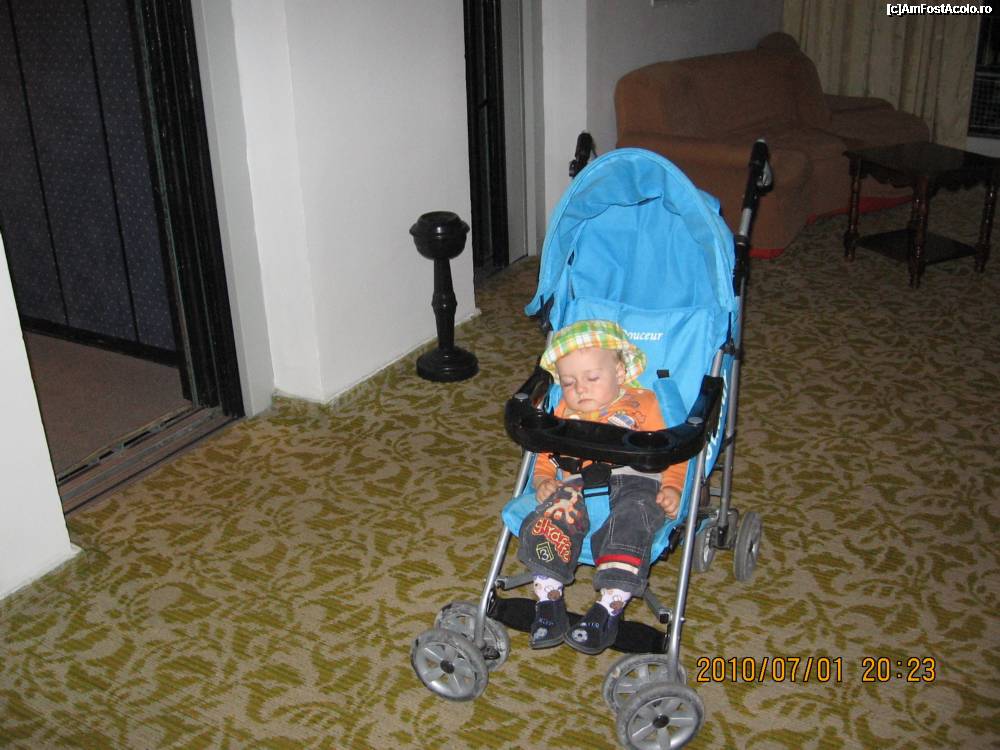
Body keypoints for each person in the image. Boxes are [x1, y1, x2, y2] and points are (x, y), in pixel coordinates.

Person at [517, 319, 686, 655]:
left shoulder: (646, 404)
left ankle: (609, 606)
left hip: (636, 483)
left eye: (592, 378)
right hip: (577, 483)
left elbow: (672, 451)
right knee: (551, 516)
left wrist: (673, 487)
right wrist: (544, 480)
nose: (580, 389)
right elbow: (546, 453)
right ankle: (548, 599)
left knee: (634, 518)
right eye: (568, 382)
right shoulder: (563, 411)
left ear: (620, 373)